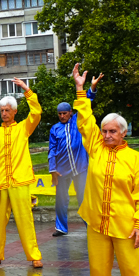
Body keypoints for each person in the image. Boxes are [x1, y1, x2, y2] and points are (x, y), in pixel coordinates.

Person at [72, 65, 139, 276]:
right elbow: (85, 121)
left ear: (123, 133)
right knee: (97, 269)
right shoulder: (95, 147)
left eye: (112, 132)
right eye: (105, 131)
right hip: (96, 221)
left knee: (132, 271)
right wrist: (80, 90)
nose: (107, 135)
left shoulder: (135, 159)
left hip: (126, 226)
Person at [0, 79, 44, 270]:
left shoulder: (23, 128)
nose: (4, 113)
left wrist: (26, 90)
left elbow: (37, 113)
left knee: (25, 219)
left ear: (15, 111)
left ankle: (34, 256)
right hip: (0, 184)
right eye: (2, 111)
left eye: (8, 110)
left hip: (20, 181)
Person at [47, 74, 102, 237]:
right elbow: (52, 150)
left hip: (80, 167)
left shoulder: (77, 120)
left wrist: (91, 88)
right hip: (62, 170)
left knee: (83, 199)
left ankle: (89, 226)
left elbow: (86, 104)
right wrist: (53, 169)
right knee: (61, 200)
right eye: (60, 114)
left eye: (65, 113)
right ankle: (61, 227)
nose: (62, 116)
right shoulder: (54, 129)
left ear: (71, 112)